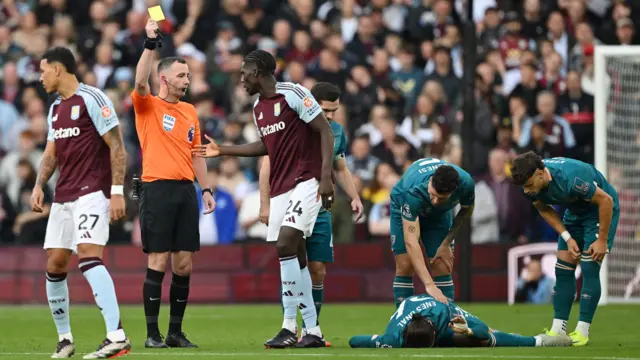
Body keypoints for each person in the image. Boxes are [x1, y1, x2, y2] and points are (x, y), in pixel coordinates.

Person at [193, 49, 335, 348]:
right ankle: (312, 330)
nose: (241, 79)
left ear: (258, 72)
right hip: (281, 185)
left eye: (244, 73)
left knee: (286, 243)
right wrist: (226, 150)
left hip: (307, 180)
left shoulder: (293, 93)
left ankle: (287, 325)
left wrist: (325, 177)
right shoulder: (258, 107)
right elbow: (266, 146)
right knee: (295, 256)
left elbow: (324, 130)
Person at [32, 46, 131, 359]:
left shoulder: (93, 98)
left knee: (88, 255)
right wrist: (38, 185)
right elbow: (51, 153)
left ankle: (117, 336)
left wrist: (117, 190)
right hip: (63, 195)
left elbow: (117, 146)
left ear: (58, 69)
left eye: (43, 70)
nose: (40, 76)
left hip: (92, 191)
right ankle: (65, 339)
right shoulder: (55, 109)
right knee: (55, 263)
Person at [258, 82, 364, 345]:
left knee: (317, 269)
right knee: (293, 257)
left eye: (334, 111)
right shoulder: (292, 123)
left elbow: (340, 167)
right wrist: (265, 204)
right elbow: (267, 164)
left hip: (320, 206)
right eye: (325, 110)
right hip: (293, 200)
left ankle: (311, 329)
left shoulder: (336, 131)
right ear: (311, 102)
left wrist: (355, 197)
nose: (329, 116)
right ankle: (292, 327)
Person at [132, 19, 216, 349]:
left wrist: (206, 189)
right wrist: (150, 43)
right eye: (182, 75)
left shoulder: (190, 112)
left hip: (185, 191)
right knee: (157, 260)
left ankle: (174, 333)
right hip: (156, 188)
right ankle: (152, 334)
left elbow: (197, 154)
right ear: (164, 78)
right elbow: (140, 80)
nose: (187, 80)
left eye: (189, 76)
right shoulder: (148, 104)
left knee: (184, 264)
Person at [510, 152, 619, 346]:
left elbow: (606, 201)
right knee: (563, 270)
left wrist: (602, 240)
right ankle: (558, 329)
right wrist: (567, 237)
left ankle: (582, 332)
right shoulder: (527, 186)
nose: (526, 191)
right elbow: (544, 209)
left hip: (599, 211)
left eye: (528, 185)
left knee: (589, 267)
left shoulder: (571, 178)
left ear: (541, 173)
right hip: (575, 212)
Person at [390, 158, 475, 308]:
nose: (435, 201)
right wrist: (429, 284)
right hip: (402, 205)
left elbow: (467, 210)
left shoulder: (466, 183)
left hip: (438, 216)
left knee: (441, 263)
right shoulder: (413, 191)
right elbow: (411, 241)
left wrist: (446, 243)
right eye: (433, 194)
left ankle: (447, 320)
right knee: (405, 264)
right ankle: (403, 321)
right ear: (431, 181)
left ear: (454, 191)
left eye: (441, 198)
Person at [348, 294, 573, 348]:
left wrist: (470, 332)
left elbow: (483, 330)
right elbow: (353, 340)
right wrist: (380, 342)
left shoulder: (443, 311)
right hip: (415, 318)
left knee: (481, 339)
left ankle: (537, 341)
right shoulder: (393, 336)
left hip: (436, 308)